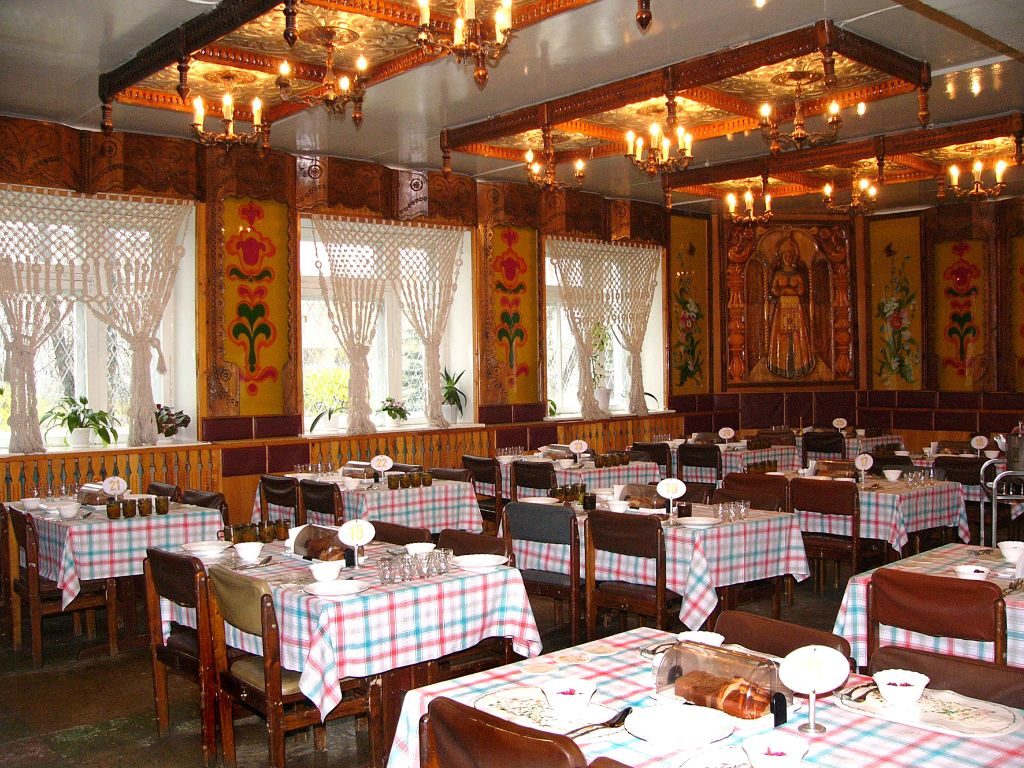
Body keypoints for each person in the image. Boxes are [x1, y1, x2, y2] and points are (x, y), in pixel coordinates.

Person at [766, 236, 814, 378]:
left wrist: (786, 290)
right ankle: (780, 364)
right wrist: (787, 291)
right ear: (782, 258)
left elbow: (801, 291)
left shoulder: (797, 274)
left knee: (797, 335)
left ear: (793, 258)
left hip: (795, 307)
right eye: (785, 256)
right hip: (781, 308)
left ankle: (798, 364)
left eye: (789, 256)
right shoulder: (778, 274)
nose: (787, 258)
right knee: (781, 335)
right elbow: (774, 290)